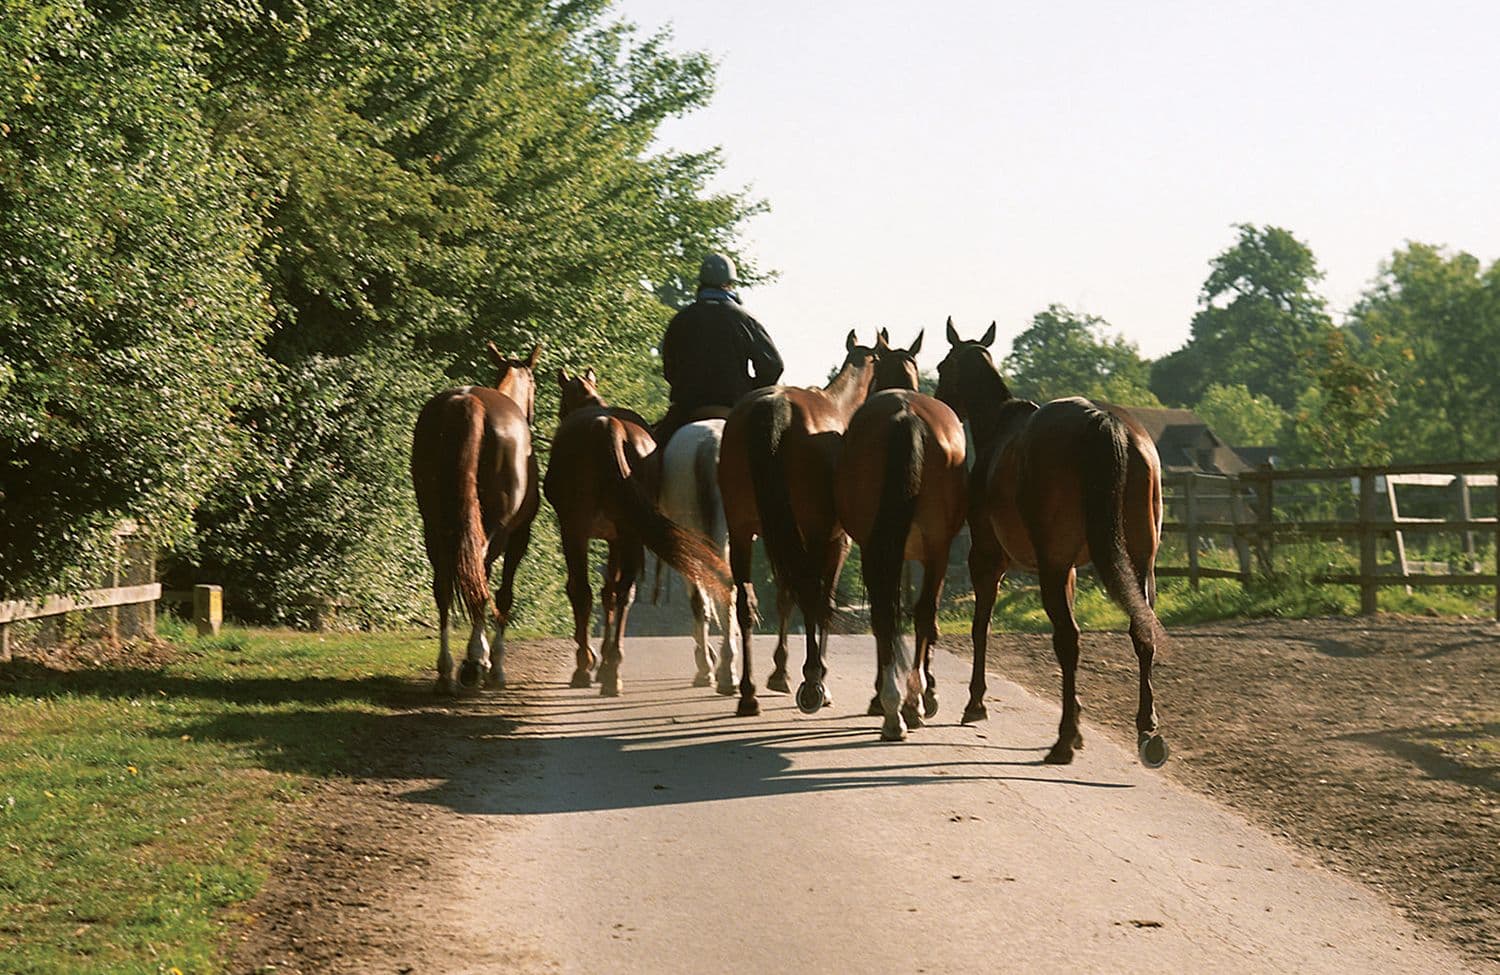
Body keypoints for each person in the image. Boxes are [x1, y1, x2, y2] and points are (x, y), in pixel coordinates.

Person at [655, 253, 784, 446]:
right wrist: (749, 392)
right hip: (735, 406)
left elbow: (669, 369)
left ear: (702, 283)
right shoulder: (745, 319)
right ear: (730, 284)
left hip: (688, 408)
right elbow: (773, 366)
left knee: (650, 455)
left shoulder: (681, 319)